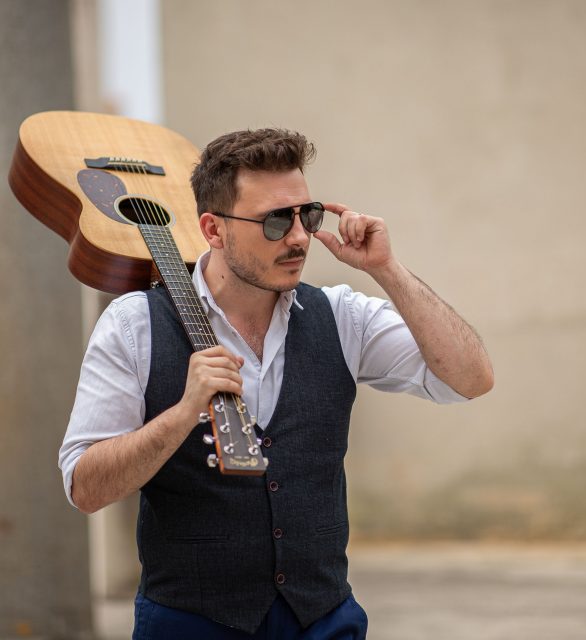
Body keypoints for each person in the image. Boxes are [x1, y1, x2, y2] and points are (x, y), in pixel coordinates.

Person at [59, 128, 493, 639]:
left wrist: (387, 270)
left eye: (307, 215)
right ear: (213, 230)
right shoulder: (135, 325)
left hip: (323, 618)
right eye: (275, 221)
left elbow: (471, 379)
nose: (299, 237)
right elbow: (85, 487)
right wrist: (180, 415)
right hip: (191, 623)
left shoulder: (341, 315)